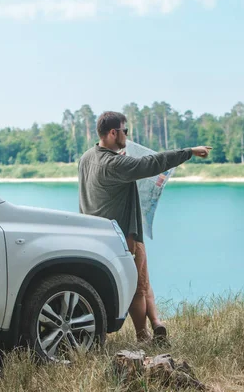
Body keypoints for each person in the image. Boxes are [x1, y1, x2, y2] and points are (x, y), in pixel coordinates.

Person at [78, 111, 211, 344]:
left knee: (144, 280)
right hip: (121, 236)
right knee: (137, 288)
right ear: (112, 133)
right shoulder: (113, 163)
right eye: (124, 130)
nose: (127, 136)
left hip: (100, 233)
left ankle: (156, 323)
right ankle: (143, 337)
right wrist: (189, 152)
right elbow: (151, 164)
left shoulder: (87, 157)